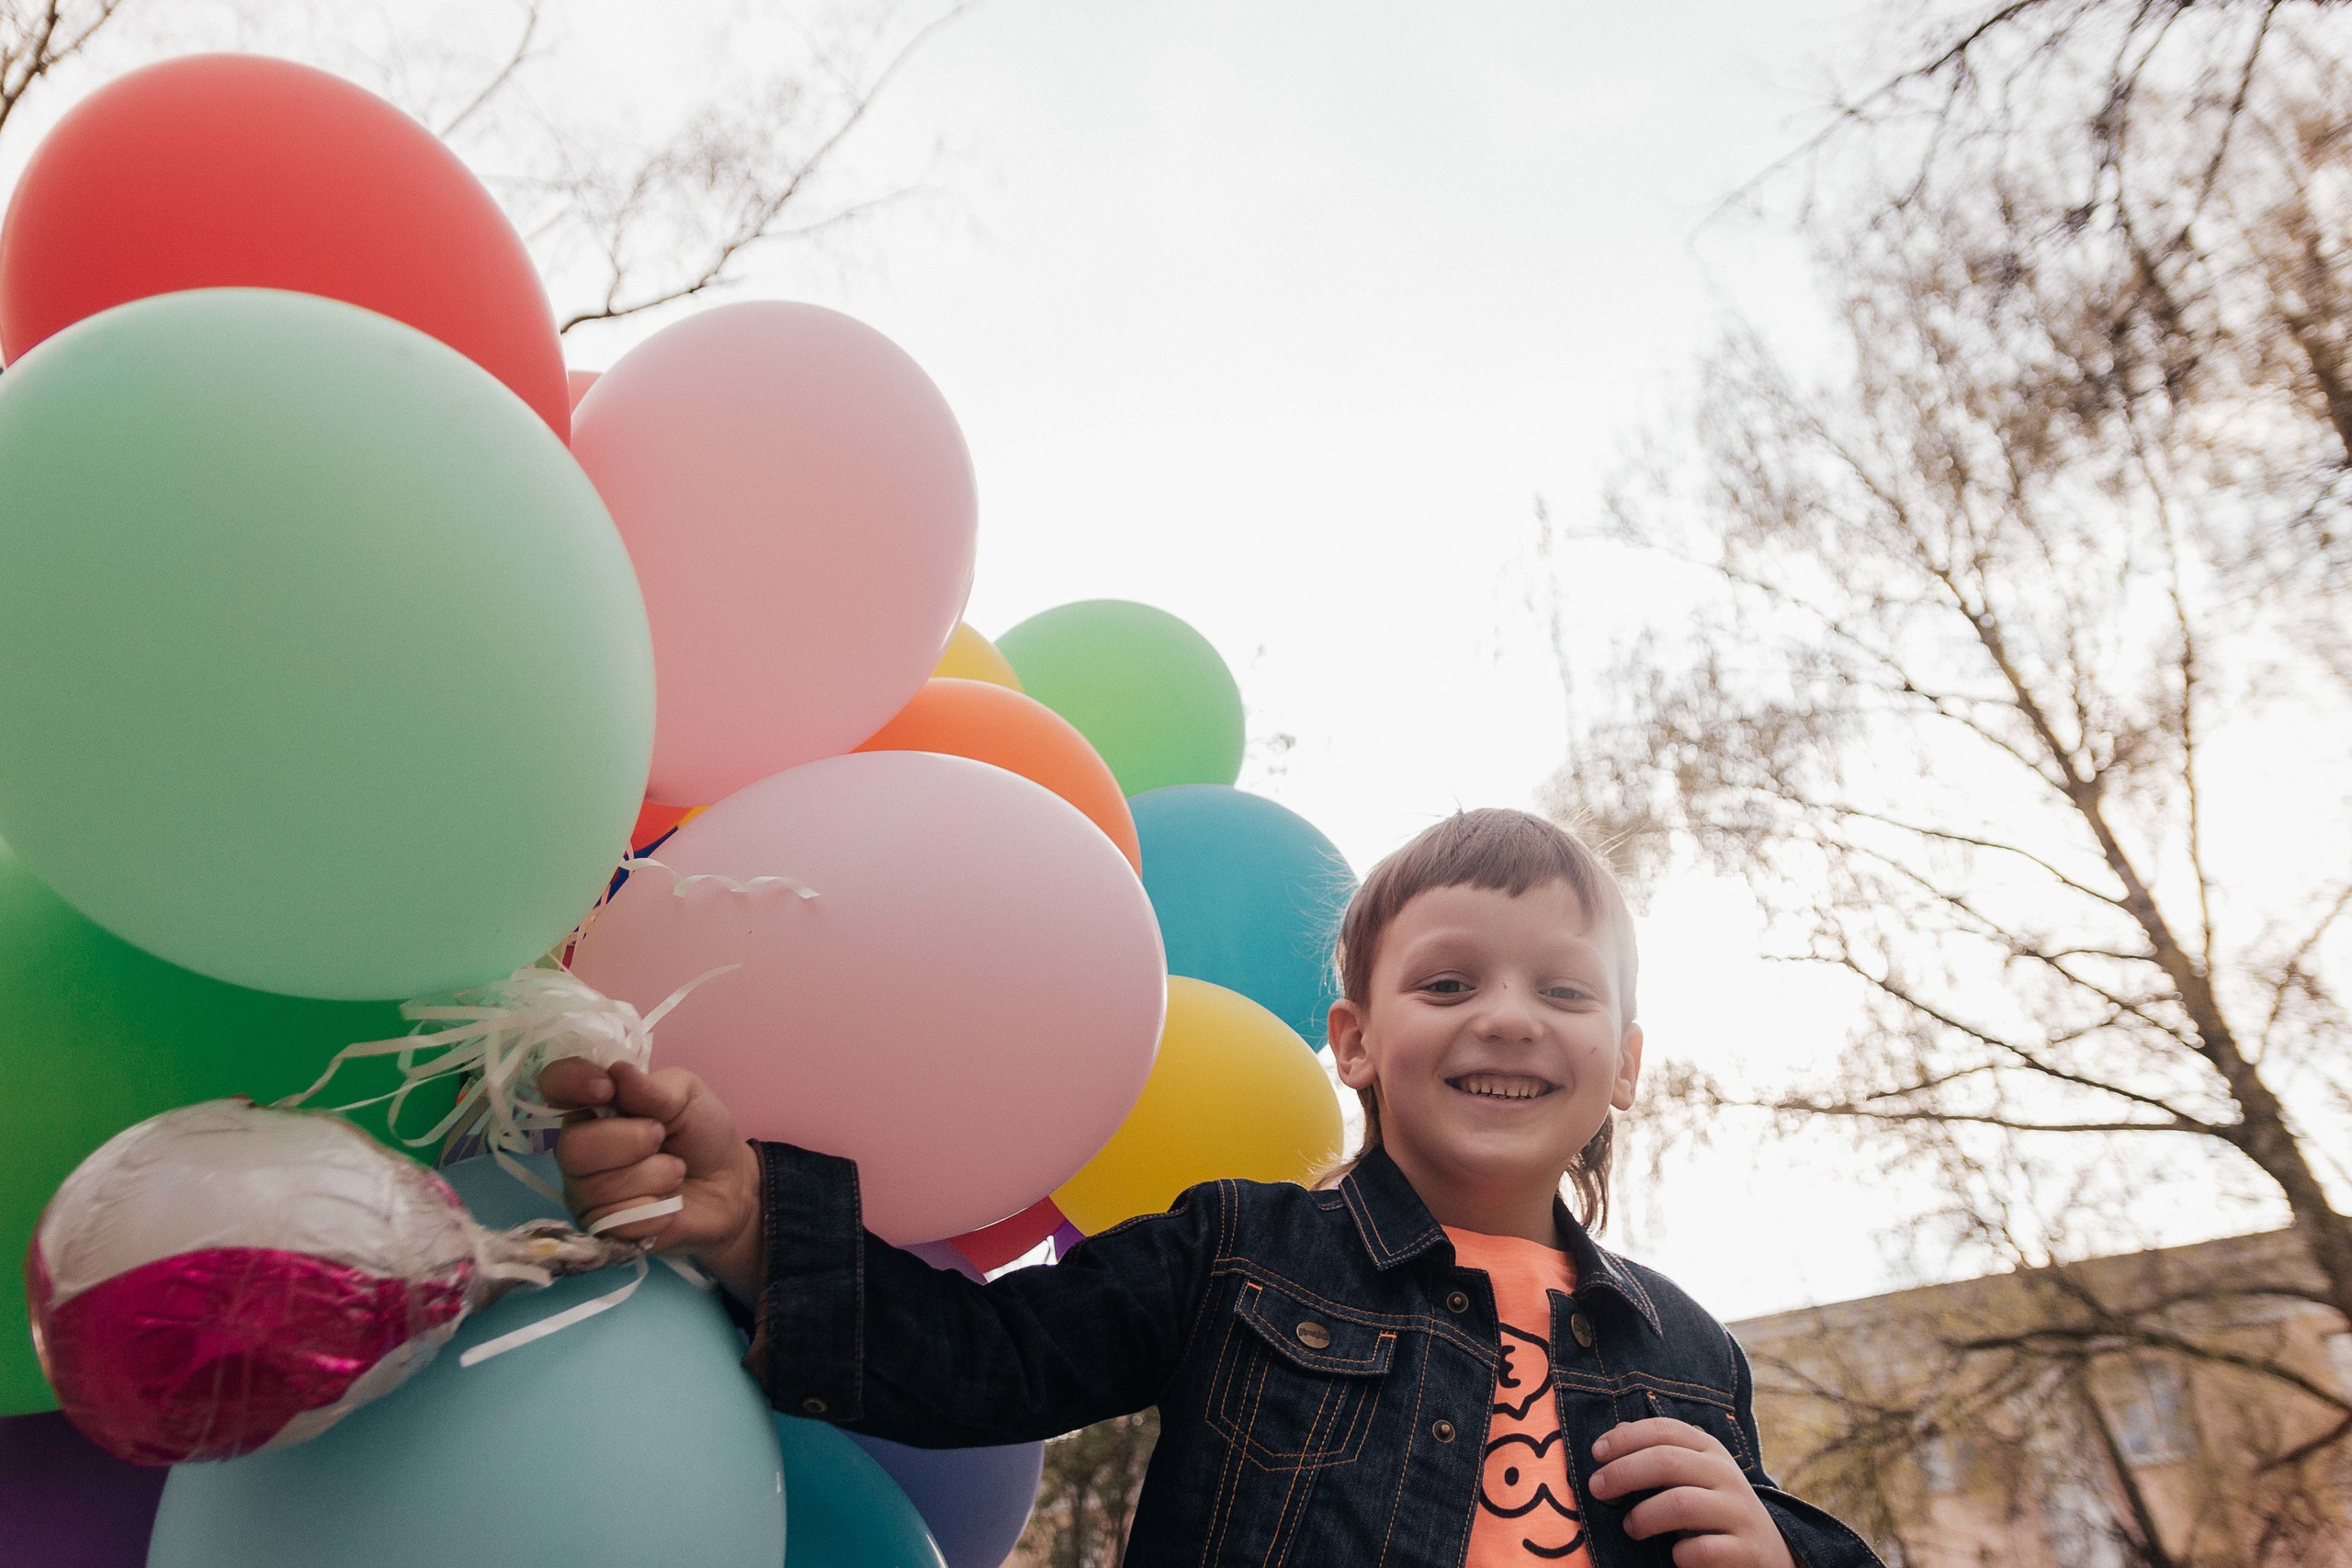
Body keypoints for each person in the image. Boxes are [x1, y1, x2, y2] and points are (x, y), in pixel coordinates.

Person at [540, 807, 1881, 1567]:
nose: (1509, 1018)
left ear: (1627, 1062)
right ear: (1356, 1042)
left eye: (1565, 991)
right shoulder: (1242, 1250)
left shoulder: (1685, 1351)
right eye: (1448, 982)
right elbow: (981, 1362)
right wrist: (754, 1221)